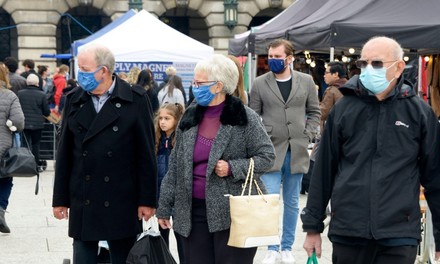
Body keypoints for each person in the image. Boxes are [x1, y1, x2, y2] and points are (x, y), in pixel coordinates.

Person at [302, 36, 440, 264]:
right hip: (349, 229)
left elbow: (438, 178)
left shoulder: (419, 114)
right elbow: (323, 172)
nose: (368, 69)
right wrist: (312, 227)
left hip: (399, 232)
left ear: (398, 68)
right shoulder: (344, 110)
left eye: (376, 63)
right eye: (363, 63)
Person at [156, 54, 275, 264]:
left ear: (218, 85)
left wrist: (232, 167)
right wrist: (164, 206)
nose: (195, 87)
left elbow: (267, 157)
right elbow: (175, 166)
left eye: (200, 83)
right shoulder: (190, 117)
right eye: (194, 82)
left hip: (233, 215)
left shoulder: (244, 117)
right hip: (192, 213)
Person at [52, 44, 158, 264]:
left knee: (122, 258)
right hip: (84, 196)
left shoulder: (135, 99)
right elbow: (64, 154)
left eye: (84, 68)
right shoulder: (74, 99)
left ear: (103, 71)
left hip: (121, 198)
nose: (79, 74)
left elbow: (146, 154)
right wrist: (60, 199)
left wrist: (147, 200)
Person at [249, 38, 320, 264]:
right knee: (269, 200)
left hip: (297, 148)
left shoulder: (307, 81)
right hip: (270, 149)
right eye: (270, 57)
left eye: (277, 57)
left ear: (289, 58)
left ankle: (287, 246)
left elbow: (314, 111)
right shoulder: (260, 83)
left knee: (291, 201)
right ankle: (272, 246)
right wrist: (260, 140)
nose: (273, 60)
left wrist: (308, 134)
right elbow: (253, 115)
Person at [301, 62, 347, 195]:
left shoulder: (332, 90)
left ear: (336, 74)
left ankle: (309, 186)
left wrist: (309, 108)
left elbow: (322, 112)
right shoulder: (350, 87)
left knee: (315, 159)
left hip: (329, 132)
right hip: (344, 132)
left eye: (327, 73)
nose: (324, 76)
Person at [154, 102, 186, 263]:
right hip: (161, 196)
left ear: (176, 119)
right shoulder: (156, 141)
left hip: (179, 196)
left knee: (181, 236)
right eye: (160, 118)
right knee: (162, 235)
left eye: (167, 118)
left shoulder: (181, 140)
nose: (162, 122)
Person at [0, 62, 24, 233]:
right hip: (3, 147)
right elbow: (19, 122)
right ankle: (0, 209)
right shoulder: (10, 96)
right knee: (5, 179)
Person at [17, 74, 51, 172]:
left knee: (25, 145)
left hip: (24, 123)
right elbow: (46, 112)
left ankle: (25, 166)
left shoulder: (20, 93)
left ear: (27, 83)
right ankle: (35, 166)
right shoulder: (42, 94)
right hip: (37, 124)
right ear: (37, 83)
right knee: (36, 145)